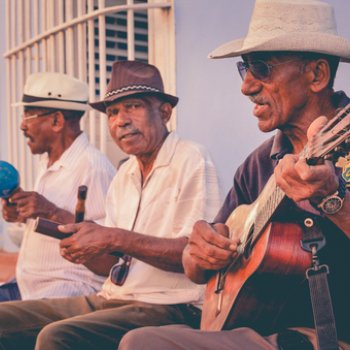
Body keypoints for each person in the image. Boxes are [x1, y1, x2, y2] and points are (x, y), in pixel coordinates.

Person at [118, 1, 350, 349]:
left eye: (262, 68)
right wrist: (200, 250)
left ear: (316, 75)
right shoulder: (257, 165)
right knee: (137, 339)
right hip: (258, 328)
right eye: (246, 68)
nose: (246, 86)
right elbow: (198, 270)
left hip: (329, 336)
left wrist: (333, 201)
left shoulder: (341, 138)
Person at [0, 60, 222, 350]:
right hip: (115, 297)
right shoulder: (125, 174)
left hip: (169, 303)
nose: (121, 120)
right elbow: (110, 266)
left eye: (134, 107)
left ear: (164, 112)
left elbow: (194, 254)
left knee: (57, 337)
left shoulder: (191, 158)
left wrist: (112, 237)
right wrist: (85, 249)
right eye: (113, 112)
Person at [0, 72, 116, 301]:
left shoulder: (93, 168)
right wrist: (24, 214)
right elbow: (56, 220)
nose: (22, 125)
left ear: (56, 121)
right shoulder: (48, 162)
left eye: (28, 115)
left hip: (68, 292)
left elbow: (108, 253)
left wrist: (49, 211)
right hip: (29, 288)